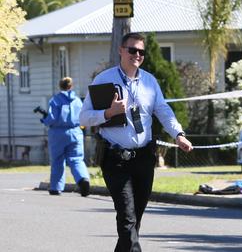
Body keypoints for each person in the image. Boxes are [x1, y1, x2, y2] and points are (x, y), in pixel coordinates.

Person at [80, 32, 193, 252]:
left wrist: (178, 134)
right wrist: (108, 112)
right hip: (115, 159)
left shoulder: (149, 81)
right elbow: (83, 118)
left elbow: (163, 111)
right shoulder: (104, 79)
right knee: (127, 215)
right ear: (121, 51)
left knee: (134, 220)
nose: (137, 55)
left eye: (141, 51)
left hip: (143, 158)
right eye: (132, 50)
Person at [41, 77, 90, 196]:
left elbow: (52, 118)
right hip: (76, 132)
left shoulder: (55, 100)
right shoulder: (78, 100)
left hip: (58, 133)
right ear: (71, 86)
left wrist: (44, 120)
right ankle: (83, 179)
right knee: (77, 159)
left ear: (60, 86)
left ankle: (56, 187)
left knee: (58, 160)